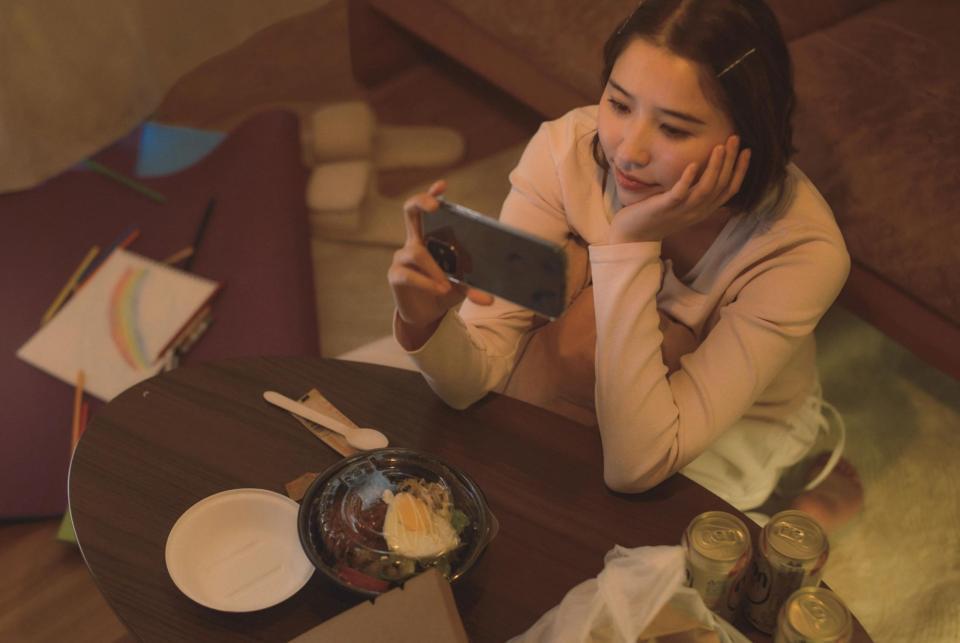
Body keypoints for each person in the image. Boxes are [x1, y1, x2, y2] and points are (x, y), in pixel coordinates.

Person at [387, 0, 862, 531]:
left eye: (675, 130)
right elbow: (476, 376)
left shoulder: (801, 252)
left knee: (658, 549)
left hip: (727, 424)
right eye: (618, 104)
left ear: (749, 135)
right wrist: (424, 323)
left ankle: (803, 496)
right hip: (595, 381)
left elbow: (637, 466)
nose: (628, 152)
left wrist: (632, 240)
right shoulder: (565, 153)